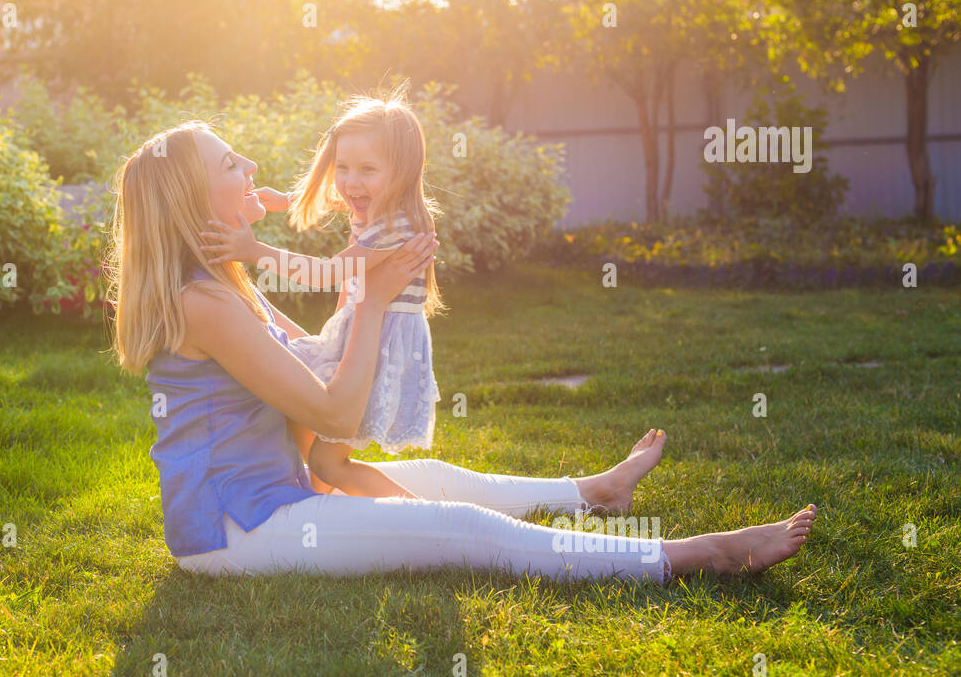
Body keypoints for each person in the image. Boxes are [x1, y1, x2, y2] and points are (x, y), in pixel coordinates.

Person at [105, 119, 817, 582]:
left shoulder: (226, 286)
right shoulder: (203, 303)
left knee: (439, 474)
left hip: (275, 497)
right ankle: (688, 556)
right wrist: (376, 300)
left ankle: (592, 493)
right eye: (232, 162)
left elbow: (309, 367)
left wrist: (357, 292)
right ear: (195, 199)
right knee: (458, 529)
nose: (251, 161)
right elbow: (335, 406)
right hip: (237, 531)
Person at [200, 93, 441, 500]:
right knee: (298, 406)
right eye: (342, 167)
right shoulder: (381, 206)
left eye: (367, 169)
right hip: (363, 334)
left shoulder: (395, 227)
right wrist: (282, 200)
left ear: (401, 171)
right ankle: (319, 502)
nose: (350, 182)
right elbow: (338, 195)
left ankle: (425, 517)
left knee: (330, 460)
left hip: (378, 350)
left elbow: (328, 273)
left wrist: (256, 252)